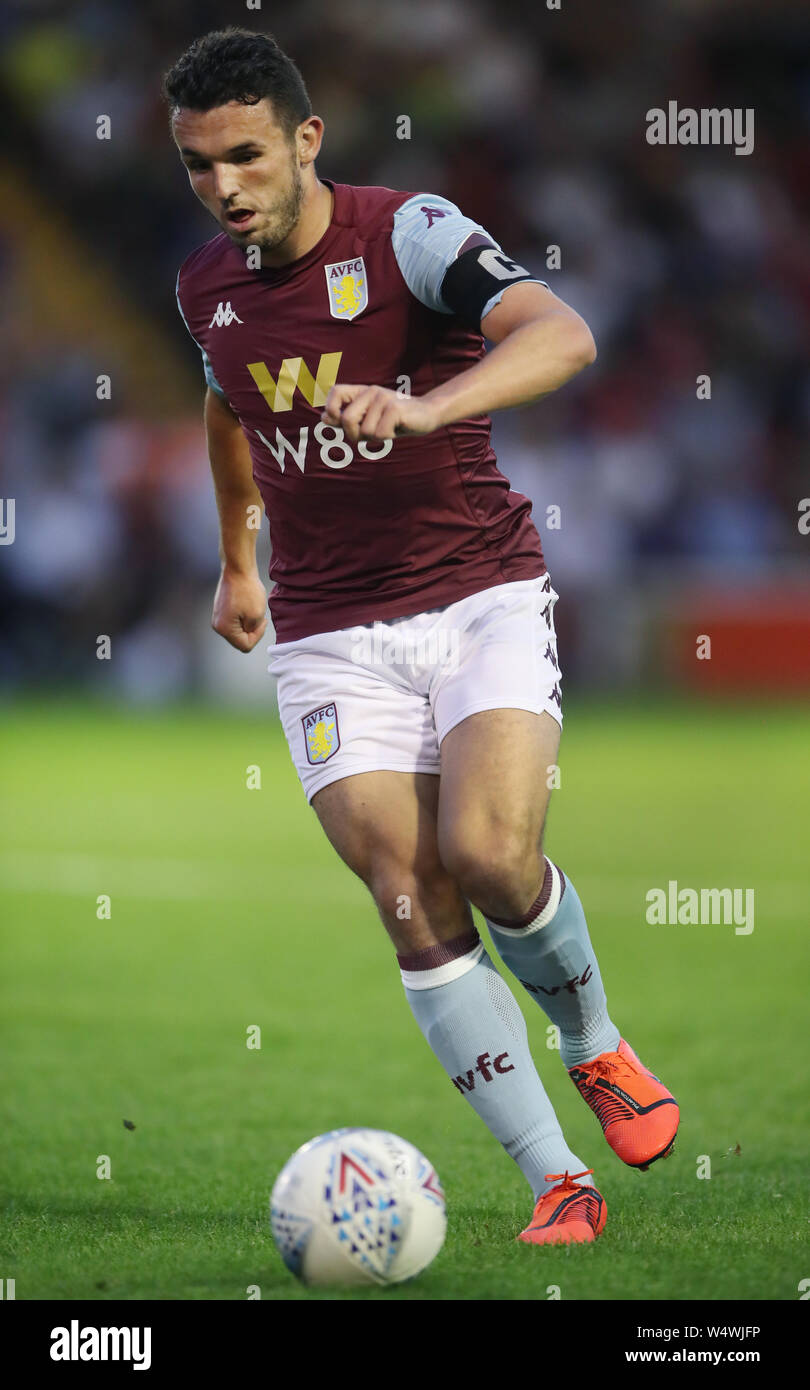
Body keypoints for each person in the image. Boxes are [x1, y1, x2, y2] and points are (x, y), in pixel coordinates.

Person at [166, 26, 678, 1247]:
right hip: (330, 628)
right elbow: (228, 408)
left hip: (477, 590)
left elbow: (563, 335)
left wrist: (423, 404)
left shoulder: (409, 234)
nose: (223, 187)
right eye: (196, 165)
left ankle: (594, 1043)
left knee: (494, 856)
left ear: (304, 139)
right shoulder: (204, 286)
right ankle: (560, 1178)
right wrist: (240, 562)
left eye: (243, 155)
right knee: (409, 891)